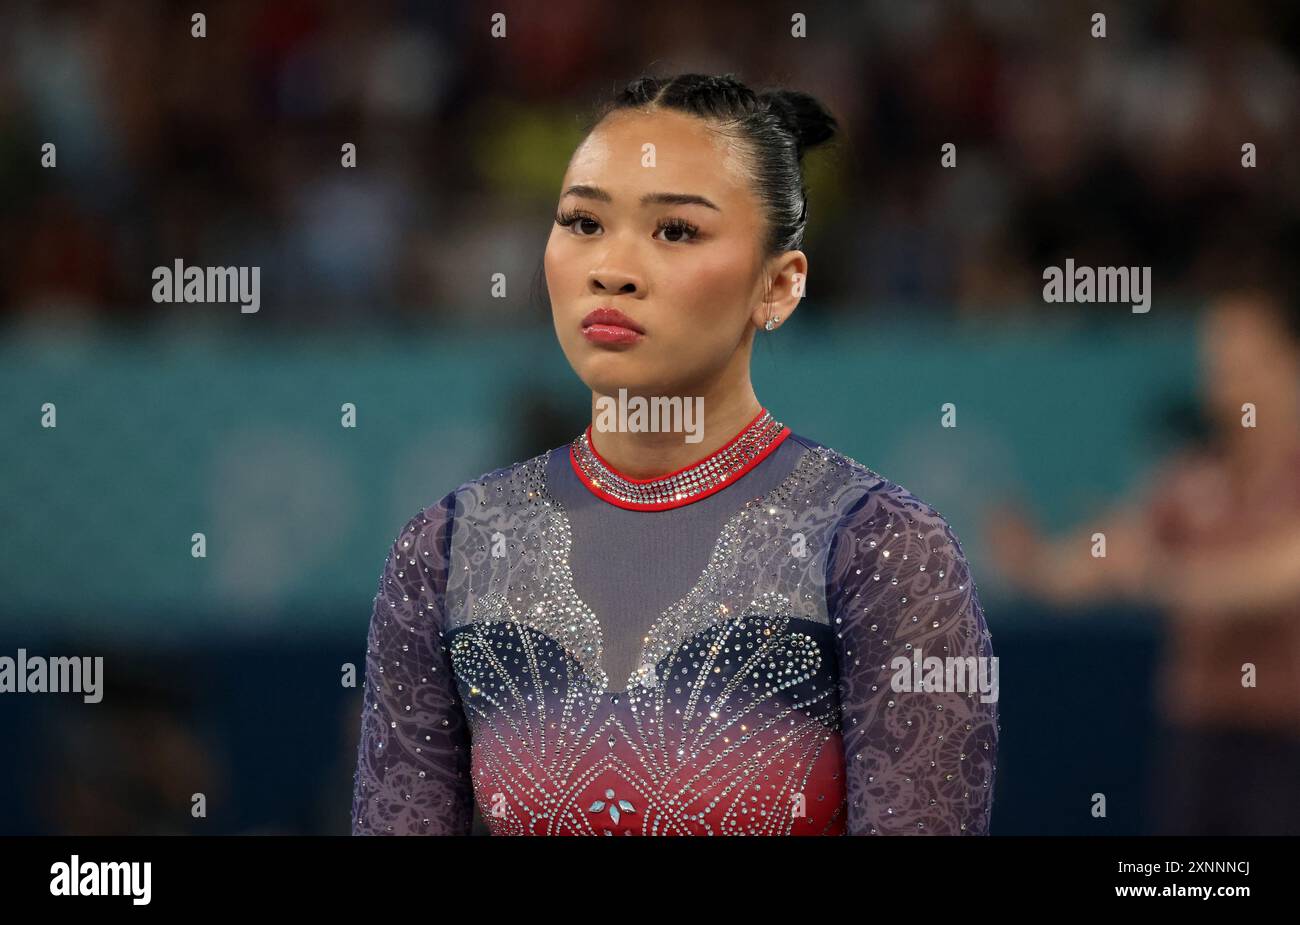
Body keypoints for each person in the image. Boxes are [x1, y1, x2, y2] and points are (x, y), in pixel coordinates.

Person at [350, 73, 998, 836]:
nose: (612, 270)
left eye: (676, 231)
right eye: (584, 222)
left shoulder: (877, 548)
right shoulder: (448, 551)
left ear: (779, 285)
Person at [986, 285, 1300, 834]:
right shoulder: (1191, 479)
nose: (1228, 382)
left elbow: (1278, 577)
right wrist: (1036, 566)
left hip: (1284, 743)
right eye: (1218, 364)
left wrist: (1161, 577)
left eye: (1245, 362)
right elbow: (1109, 557)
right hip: (1199, 740)